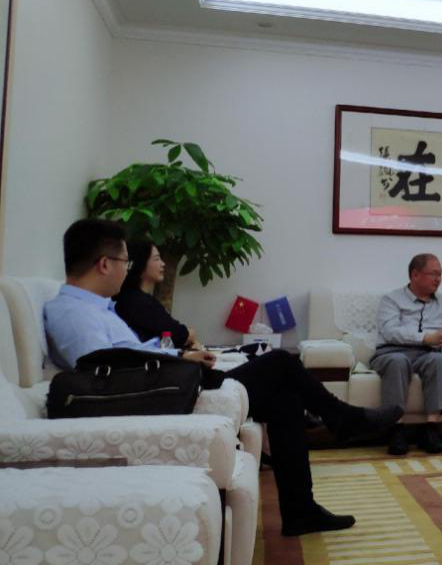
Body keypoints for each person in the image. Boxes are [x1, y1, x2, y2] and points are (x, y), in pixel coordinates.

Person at [44, 218, 404, 537]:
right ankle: (343, 420)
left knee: (285, 397)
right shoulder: (75, 313)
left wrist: (180, 357)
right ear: (104, 264)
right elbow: (105, 373)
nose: (127, 270)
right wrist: (180, 357)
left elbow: (121, 360)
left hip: (171, 383)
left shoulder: (95, 308)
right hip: (165, 396)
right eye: (125, 262)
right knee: (280, 362)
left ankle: (301, 510)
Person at [374, 253, 442, 456]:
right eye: (433, 274)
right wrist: (426, 338)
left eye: (440, 274)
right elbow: (390, 331)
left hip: (428, 354)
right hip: (392, 351)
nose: (438, 279)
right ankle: (396, 429)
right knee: (397, 361)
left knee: (439, 360)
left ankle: (431, 429)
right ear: (415, 275)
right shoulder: (391, 299)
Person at [113, 239, 202, 350]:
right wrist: (190, 335)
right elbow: (181, 335)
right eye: (157, 259)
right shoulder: (138, 302)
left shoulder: (137, 298)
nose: (163, 264)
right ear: (140, 264)